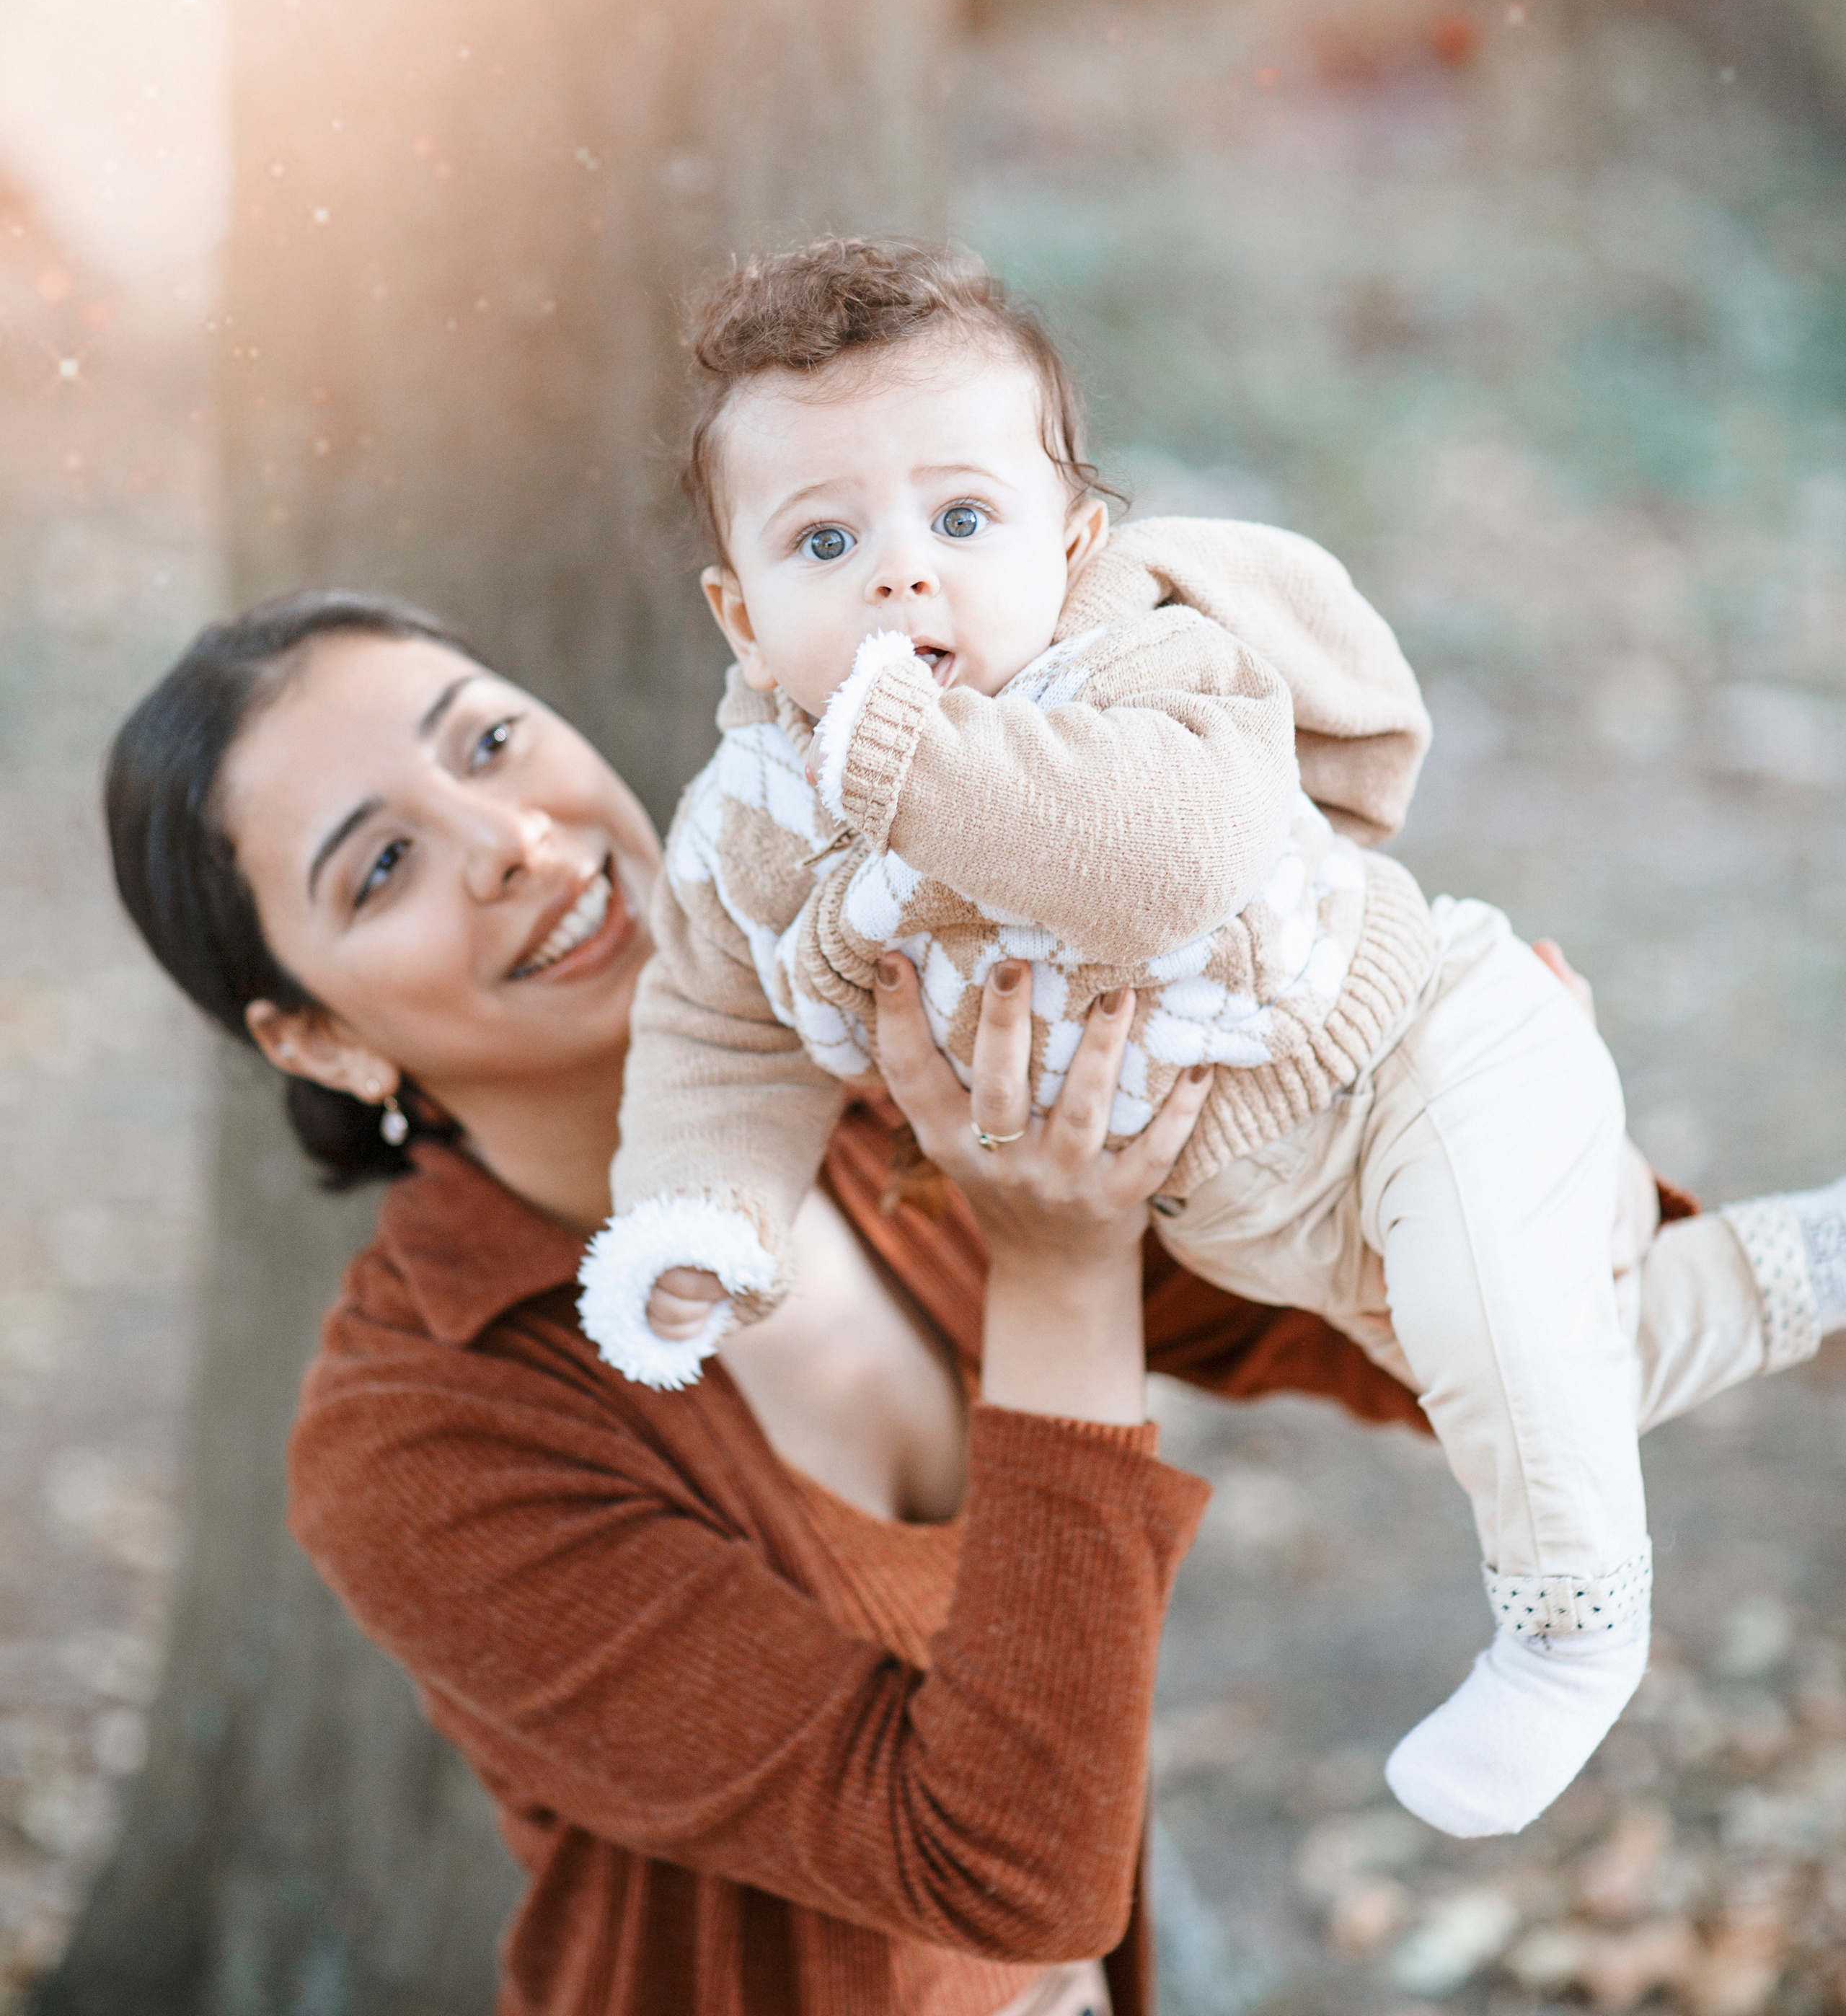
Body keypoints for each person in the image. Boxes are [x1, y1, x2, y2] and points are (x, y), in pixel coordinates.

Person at [588, 236, 1846, 1841]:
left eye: (961, 518)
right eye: (824, 538)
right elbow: (713, 1030)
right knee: (1557, 1371)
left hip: (1418, 1049)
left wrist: (916, 763)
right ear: (740, 614)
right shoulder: (745, 826)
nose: (901, 573)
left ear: (1074, 538)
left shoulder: (1138, 660)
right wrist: (701, 1217)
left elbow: (1171, 856)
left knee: (1503, 1337)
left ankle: (1568, 1629)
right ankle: (1799, 1267)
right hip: (1258, 1217)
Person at [106, 586, 1477, 2016]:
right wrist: (1057, 1273)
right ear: (318, 1040)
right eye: (383, 862)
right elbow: (1002, 1864)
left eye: (493, 740)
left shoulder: (883, 1048)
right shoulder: (416, 1445)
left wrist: (1503, 1176)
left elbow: (1328, 1305)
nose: (511, 841)